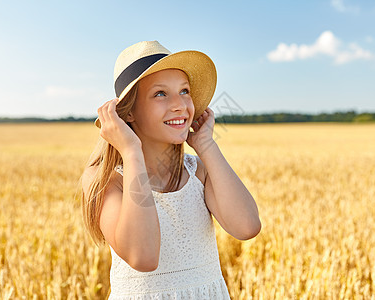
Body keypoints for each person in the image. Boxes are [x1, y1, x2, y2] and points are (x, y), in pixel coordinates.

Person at [81, 40, 261, 299]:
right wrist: (131, 152)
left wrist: (206, 145)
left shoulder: (197, 170)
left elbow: (247, 226)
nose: (180, 105)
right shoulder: (106, 179)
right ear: (128, 112)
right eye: (161, 94)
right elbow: (143, 257)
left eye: (185, 91)